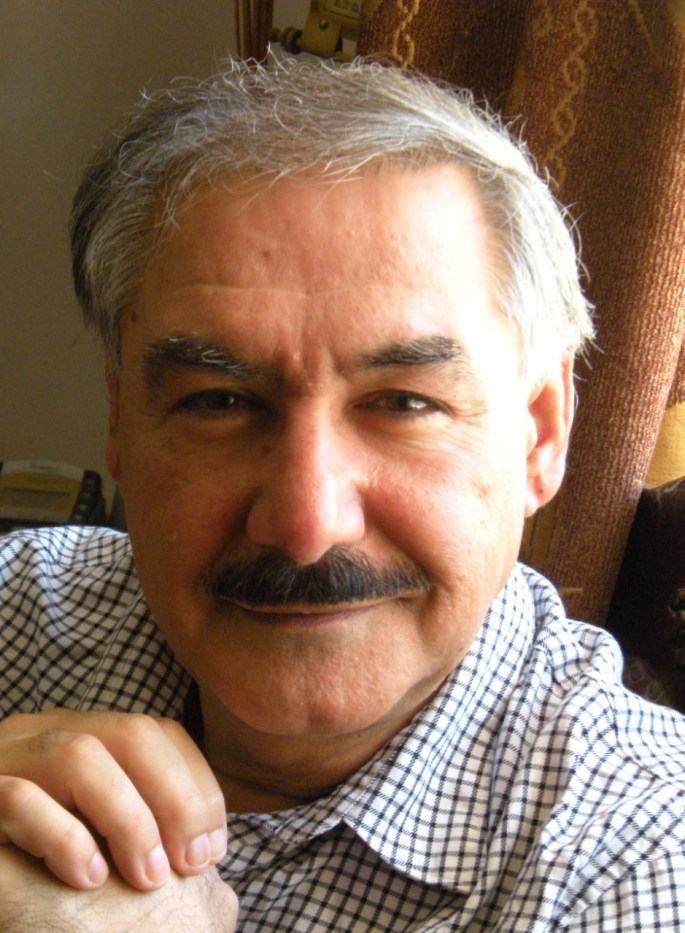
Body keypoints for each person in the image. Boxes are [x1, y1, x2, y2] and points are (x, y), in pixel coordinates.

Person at [1, 56, 684, 932]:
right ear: (121, 423)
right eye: (218, 402)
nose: (305, 522)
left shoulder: (642, 863)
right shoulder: (23, 607)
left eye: (403, 403)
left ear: (538, 434)